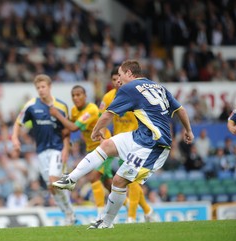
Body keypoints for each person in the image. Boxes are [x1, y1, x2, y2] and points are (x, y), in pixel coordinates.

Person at [53, 60, 194, 229]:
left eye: (120, 75)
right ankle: (71, 179)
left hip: (154, 145)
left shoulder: (129, 88)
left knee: (119, 181)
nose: (118, 80)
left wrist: (96, 130)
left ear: (129, 73)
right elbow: (181, 110)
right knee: (106, 146)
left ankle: (107, 222)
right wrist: (189, 131)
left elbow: (106, 116)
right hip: (140, 136)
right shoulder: (158, 86)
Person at [12, 74, 75, 225]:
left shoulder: (61, 106)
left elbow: (67, 130)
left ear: (49, 87)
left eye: (43, 87)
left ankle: (69, 214)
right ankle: (68, 214)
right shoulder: (31, 105)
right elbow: (18, 122)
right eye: (38, 88)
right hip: (41, 151)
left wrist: (66, 148)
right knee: (51, 187)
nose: (41, 90)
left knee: (54, 180)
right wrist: (14, 138)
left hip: (57, 149)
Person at [98, 66, 156, 224]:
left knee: (131, 179)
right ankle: (148, 211)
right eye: (114, 79)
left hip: (135, 142)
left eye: (119, 77)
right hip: (118, 142)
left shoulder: (135, 95)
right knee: (106, 177)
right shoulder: (108, 98)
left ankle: (131, 217)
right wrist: (103, 134)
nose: (117, 81)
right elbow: (101, 117)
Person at [49, 85, 109, 221]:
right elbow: (67, 128)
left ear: (85, 96)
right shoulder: (74, 110)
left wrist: (57, 114)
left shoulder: (91, 109)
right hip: (91, 148)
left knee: (94, 177)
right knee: (110, 184)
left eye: (79, 95)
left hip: (104, 145)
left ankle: (100, 217)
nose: (76, 98)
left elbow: (74, 127)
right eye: (73, 96)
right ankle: (141, 210)